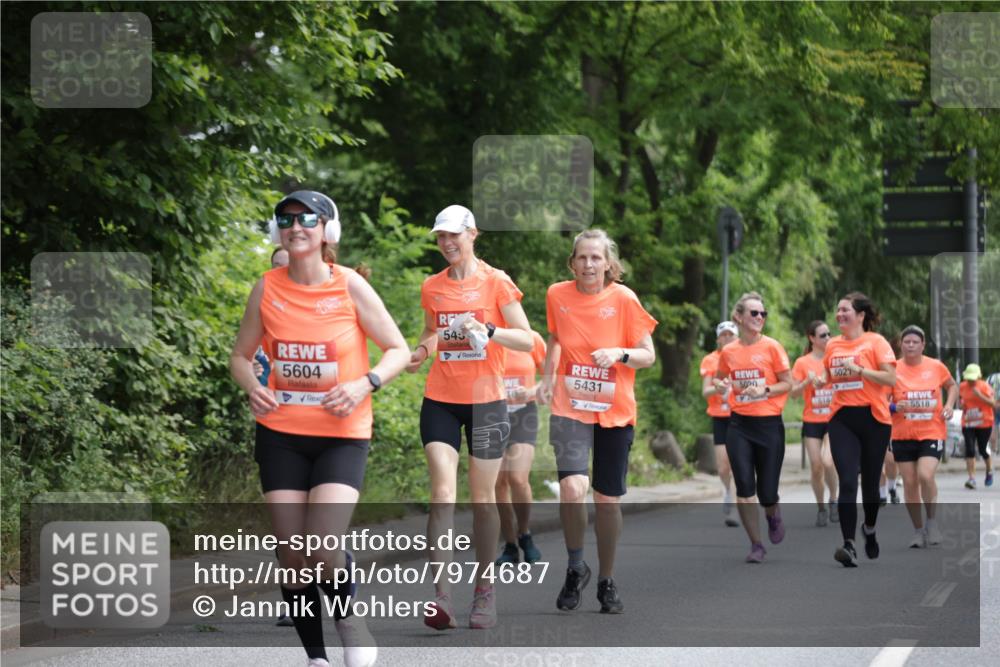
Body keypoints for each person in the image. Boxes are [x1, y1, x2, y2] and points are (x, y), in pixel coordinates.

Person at [231, 190, 410, 667]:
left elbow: (397, 349)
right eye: (286, 219)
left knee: (323, 546)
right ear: (277, 231)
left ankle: (351, 623)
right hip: (280, 434)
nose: (295, 226)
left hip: (341, 434)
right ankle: (317, 658)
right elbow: (240, 356)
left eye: (307, 218)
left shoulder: (349, 285)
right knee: (293, 555)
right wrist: (253, 386)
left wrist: (364, 383)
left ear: (327, 229)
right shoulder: (266, 287)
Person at [406, 204, 533, 630]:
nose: (446, 243)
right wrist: (421, 351)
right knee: (442, 493)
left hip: (487, 401)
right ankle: (441, 598)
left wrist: (492, 331)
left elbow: (528, 340)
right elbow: (431, 332)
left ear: (472, 234)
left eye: (453, 236)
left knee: (482, 499)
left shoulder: (496, 282)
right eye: (440, 237)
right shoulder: (432, 287)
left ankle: (484, 589)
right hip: (440, 398)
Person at [537, 229, 657, 613]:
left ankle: (606, 579)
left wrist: (620, 353)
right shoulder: (557, 294)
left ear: (609, 264)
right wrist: (546, 377)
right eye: (582, 258)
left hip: (615, 410)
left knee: (607, 501)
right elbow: (555, 338)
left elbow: (648, 355)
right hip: (569, 405)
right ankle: (576, 566)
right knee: (573, 488)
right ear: (572, 262)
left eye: (596, 258)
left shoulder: (624, 299)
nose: (588, 265)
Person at [714, 292, 793, 563]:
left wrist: (765, 388)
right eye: (754, 313)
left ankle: (772, 514)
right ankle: (756, 544)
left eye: (763, 314)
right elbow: (719, 379)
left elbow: (788, 383)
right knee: (744, 487)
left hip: (769, 425)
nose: (760, 318)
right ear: (739, 317)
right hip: (739, 425)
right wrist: (721, 385)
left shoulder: (772, 347)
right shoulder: (729, 351)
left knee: (767, 492)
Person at [823, 292, 897, 568]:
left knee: (869, 487)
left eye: (846, 310)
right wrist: (819, 380)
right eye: (838, 310)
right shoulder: (832, 345)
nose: (840, 315)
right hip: (842, 418)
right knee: (848, 481)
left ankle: (869, 528)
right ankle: (849, 544)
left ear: (861, 315)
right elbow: (829, 375)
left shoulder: (876, 342)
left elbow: (891, 377)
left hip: (875, 420)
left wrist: (861, 370)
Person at [889, 325, 957, 547]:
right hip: (902, 433)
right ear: (901, 344)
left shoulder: (935, 366)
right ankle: (918, 531)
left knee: (925, 476)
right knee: (909, 483)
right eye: (906, 342)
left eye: (914, 342)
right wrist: (894, 406)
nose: (910, 345)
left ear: (922, 345)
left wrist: (948, 404)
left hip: (931, 431)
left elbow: (952, 385)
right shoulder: (892, 369)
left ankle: (932, 522)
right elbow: (879, 398)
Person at [495, 329, 547, 565]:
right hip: (490, 414)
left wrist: (530, 392)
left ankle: (524, 533)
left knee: (517, 478)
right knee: (497, 482)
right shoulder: (485, 336)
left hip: (523, 414)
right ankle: (510, 545)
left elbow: (551, 381)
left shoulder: (532, 339)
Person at [789, 320, 839, 527]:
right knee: (816, 467)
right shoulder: (802, 362)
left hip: (833, 418)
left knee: (828, 462)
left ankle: (834, 499)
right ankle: (821, 507)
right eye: (823, 335)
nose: (827, 338)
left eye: (828, 334)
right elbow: (793, 394)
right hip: (812, 421)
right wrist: (806, 382)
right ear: (812, 339)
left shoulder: (835, 359)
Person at [700, 321, 740, 527]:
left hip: (741, 415)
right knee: (723, 466)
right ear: (718, 338)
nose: (727, 338)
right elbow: (705, 391)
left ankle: (735, 504)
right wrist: (719, 387)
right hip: (720, 417)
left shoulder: (742, 356)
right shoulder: (710, 360)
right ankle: (727, 491)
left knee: (737, 463)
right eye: (723, 335)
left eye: (730, 335)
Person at [958, 363, 995, 489]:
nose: (971, 381)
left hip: (984, 423)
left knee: (983, 449)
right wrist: (961, 405)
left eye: (973, 379)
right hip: (968, 422)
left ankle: (989, 471)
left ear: (978, 377)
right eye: (969, 378)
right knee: (970, 449)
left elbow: (993, 403)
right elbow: (960, 402)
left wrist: (980, 395)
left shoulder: (984, 386)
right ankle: (971, 478)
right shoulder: (962, 386)